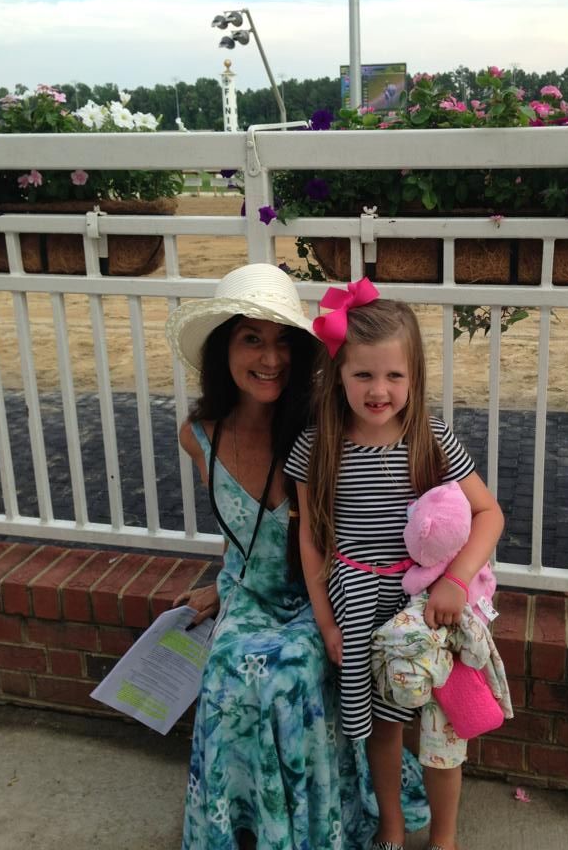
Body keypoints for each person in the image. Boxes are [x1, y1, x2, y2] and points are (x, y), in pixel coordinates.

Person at [165, 263, 428, 850]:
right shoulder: (198, 435)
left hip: (325, 593)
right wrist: (219, 582)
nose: (271, 357)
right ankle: (243, 822)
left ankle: (313, 827)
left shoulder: (328, 421)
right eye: (251, 339)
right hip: (247, 594)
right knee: (225, 674)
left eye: (284, 340)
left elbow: (378, 499)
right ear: (222, 348)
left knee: (292, 674)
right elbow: (239, 524)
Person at [285, 278, 504, 850]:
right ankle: (391, 826)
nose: (378, 389)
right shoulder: (318, 446)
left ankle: (446, 838)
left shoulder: (430, 440)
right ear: (338, 376)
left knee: (439, 726)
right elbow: (311, 537)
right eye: (363, 375)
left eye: (393, 375)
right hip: (357, 608)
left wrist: (455, 583)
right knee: (383, 727)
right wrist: (328, 623)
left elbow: (489, 514)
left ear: (414, 377)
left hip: (425, 610)